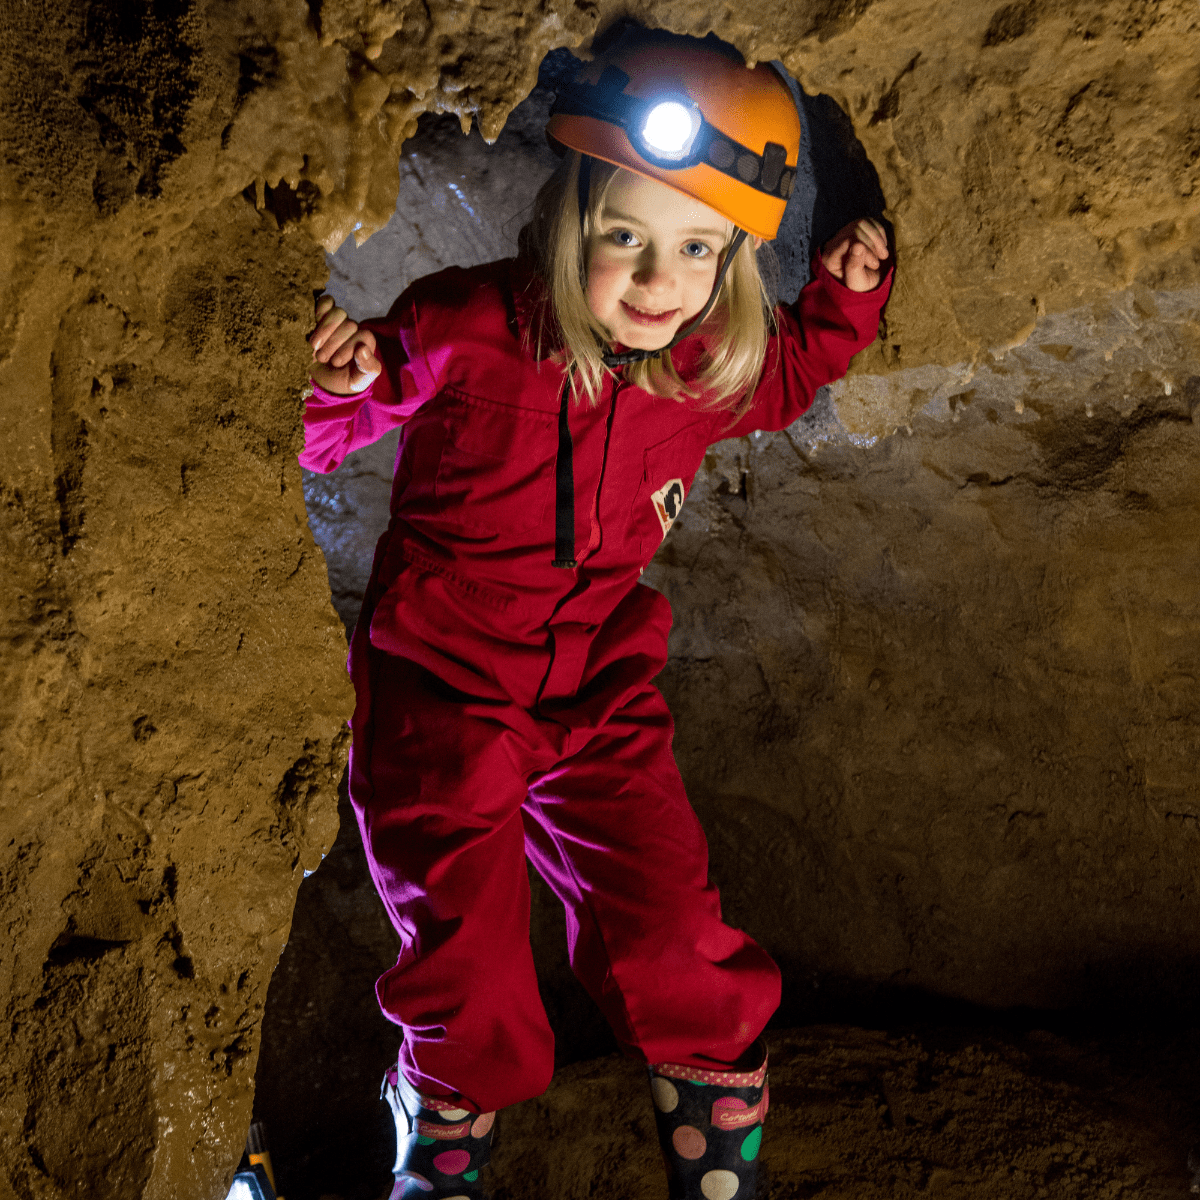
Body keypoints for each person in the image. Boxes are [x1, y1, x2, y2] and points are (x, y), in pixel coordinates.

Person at [302, 25, 891, 1200]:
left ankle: (715, 1167)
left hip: (596, 688)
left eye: (694, 249)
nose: (654, 281)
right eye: (624, 236)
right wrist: (340, 384)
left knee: (674, 926)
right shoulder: (469, 326)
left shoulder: (699, 365)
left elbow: (788, 378)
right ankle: (444, 1158)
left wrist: (843, 296)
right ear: (574, 222)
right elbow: (326, 438)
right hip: (444, 685)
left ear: (728, 263)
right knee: (466, 962)